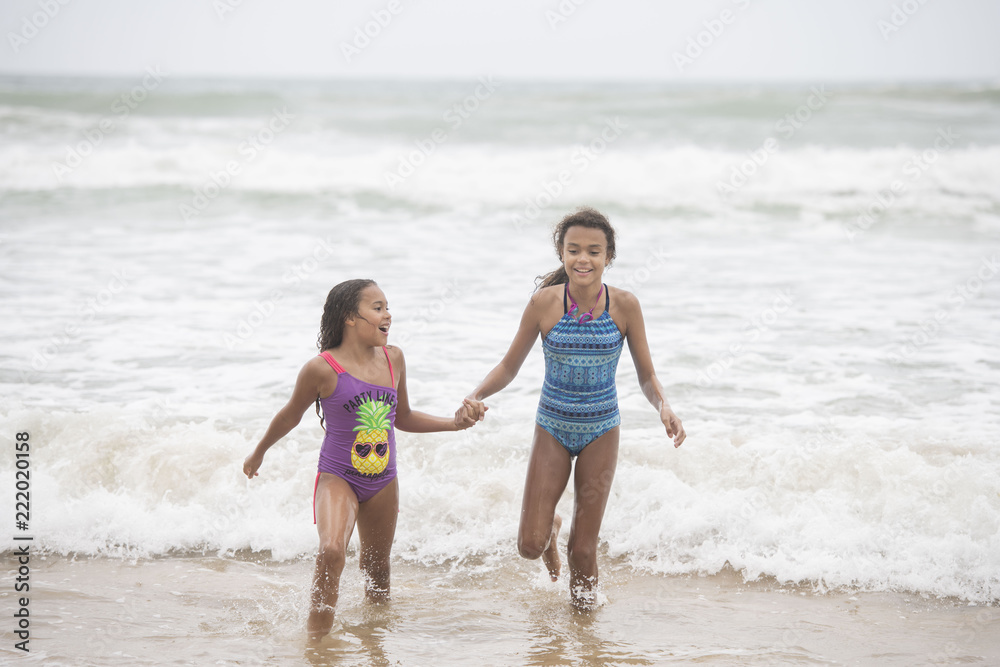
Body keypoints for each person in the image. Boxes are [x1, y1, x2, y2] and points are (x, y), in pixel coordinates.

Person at [461, 208, 685, 608]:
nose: (584, 259)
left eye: (594, 251)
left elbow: (647, 377)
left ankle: (586, 637)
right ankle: (551, 529)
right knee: (529, 546)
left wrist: (664, 406)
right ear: (561, 254)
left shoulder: (626, 306)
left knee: (583, 551)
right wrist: (477, 395)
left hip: (602, 429)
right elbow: (509, 366)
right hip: (553, 427)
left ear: (608, 257)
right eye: (574, 250)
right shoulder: (544, 304)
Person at [243, 278, 484, 639]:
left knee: (378, 570)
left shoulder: (394, 358)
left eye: (387, 307)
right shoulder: (321, 368)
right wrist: (258, 452)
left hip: (384, 478)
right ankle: (317, 646)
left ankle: (376, 643)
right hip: (338, 475)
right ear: (349, 318)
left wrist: (454, 423)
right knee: (331, 551)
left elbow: (401, 417)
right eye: (378, 308)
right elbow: (290, 415)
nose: (388, 315)